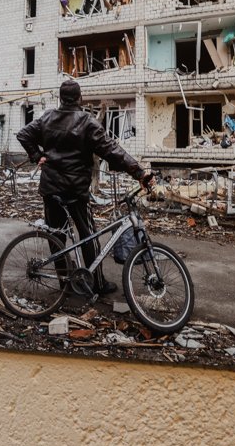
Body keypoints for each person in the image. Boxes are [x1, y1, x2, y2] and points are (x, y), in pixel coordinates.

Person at [17, 79, 153, 295]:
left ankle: (64, 284)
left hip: (51, 188)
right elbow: (112, 150)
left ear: (60, 98)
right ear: (79, 98)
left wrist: (37, 155)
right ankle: (97, 283)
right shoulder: (87, 122)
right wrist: (139, 172)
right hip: (76, 190)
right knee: (88, 235)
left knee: (56, 237)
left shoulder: (47, 118)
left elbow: (23, 134)